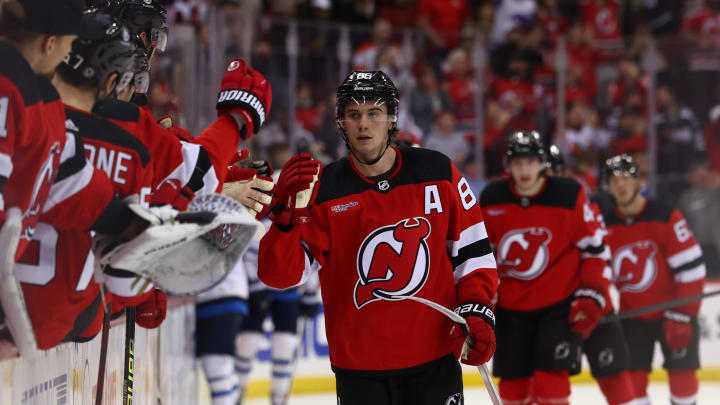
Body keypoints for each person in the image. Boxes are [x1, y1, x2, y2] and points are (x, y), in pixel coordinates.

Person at [257, 71, 498, 404]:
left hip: (433, 359)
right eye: (354, 115)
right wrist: (284, 222)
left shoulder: (437, 172)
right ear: (341, 122)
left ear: (391, 119)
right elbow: (280, 276)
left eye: (374, 113)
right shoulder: (325, 190)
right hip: (360, 369)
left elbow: (473, 254)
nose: (364, 124)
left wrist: (477, 308)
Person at [479, 131, 612, 405]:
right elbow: (482, 256)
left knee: (552, 387)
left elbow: (595, 249)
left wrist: (591, 293)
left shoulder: (568, 194)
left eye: (530, 162)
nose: (524, 170)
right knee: (513, 390)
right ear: (508, 166)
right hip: (510, 309)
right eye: (517, 163)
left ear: (542, 163)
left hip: (557, 307)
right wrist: (481, 299)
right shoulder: (492, 197)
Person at [601, 154, 706, 405]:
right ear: (607, 186)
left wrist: (682, 314)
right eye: (614, 180)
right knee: (633, 386)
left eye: (626, 178)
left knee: (683, 382)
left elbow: (692, 270)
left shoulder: (664, 216)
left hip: (674, 313)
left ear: (639, 182)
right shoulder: (603, 224)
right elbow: (597, 273)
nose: (621, 185)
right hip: (632, 319)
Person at [546, 145, 638, 405]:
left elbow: (601, 257)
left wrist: (593, 296)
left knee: (618, 385)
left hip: (596, 310)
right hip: (549, 314)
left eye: (551, 171)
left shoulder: (587, 207)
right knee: (548, 390)